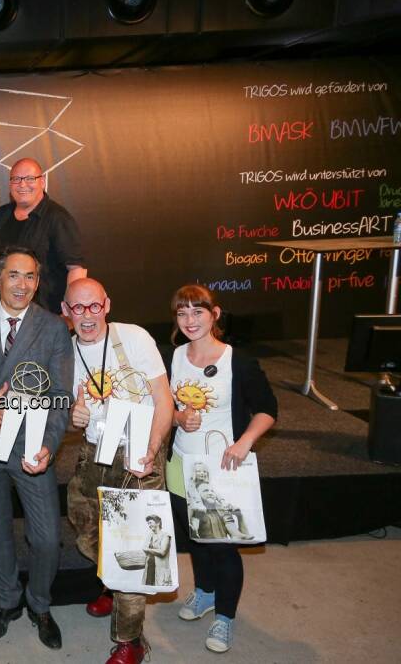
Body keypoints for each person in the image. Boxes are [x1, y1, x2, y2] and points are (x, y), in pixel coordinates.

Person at [0, 246, 73, 651]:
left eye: (30, 276)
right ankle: (7, 600)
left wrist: (49, 446)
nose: (22, 285)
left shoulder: (53, 328)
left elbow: (61, 396)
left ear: (38, 282)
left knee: (46, 537)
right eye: (14, 275)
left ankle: (40, 603)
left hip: (32, 448)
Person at [62, 277, 174, 664]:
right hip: (95, 452)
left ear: (107, 305)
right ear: (66, 311)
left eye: (94, 306)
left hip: (140, 452)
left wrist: (151, 450)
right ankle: (113, 584)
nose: (87, 315)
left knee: (132, 546)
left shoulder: (135, 338)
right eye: (78, 307)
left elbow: (164, 400)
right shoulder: (65, 352)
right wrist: (73, 417)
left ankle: (130, 641)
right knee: (86, 524)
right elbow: (68, 417)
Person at [166, 283, 277, 654]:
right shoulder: (173, 357)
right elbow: (163, 406)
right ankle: (205, 592)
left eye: (197, 311)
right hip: (179, 464)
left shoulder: (238, 361)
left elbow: (267, 409)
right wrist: (178, 417)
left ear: (214, 314)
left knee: (224, 547)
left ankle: (225, 616)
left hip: (221, 468)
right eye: (182, 312)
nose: (190, 320)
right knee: (197, 537)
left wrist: (245, 442)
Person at [0, 158, 87, 313]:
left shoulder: (58, 218)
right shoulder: (1, 215)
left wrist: (69, 312)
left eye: (30, 178)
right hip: (4, 315)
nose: (22, 184)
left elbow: (77, 269)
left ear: (42, 182)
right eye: (16, 179)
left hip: (47, 316)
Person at [142, 516, 172, 587]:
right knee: (147, 591)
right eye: (148, 523)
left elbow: (162, 552)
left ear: (158, 523)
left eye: (150, 523)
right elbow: (144, 548)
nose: (149, 525)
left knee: (161, 592)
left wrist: (147, 549)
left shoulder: (165, 536)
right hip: (149, 571)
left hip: (161, 572)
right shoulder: (150, 536)